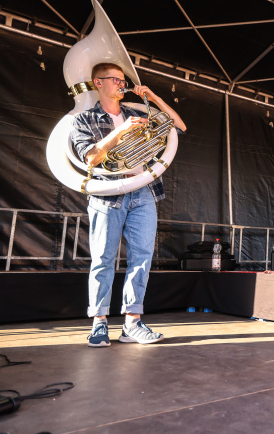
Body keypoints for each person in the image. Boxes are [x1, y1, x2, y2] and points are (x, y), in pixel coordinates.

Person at [71, 62, 186, 348]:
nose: (122, 84)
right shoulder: (83, 118)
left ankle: (132, 323)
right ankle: (99, 323)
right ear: (99, 83)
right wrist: (120, 133)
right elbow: (91, 158)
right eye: (116, 80)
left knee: (142, 258)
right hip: (107, 192)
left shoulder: (137, 111)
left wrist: (154, 98)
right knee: (103, 258)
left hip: (143, 190)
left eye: (123, 80)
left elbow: (179, 127)